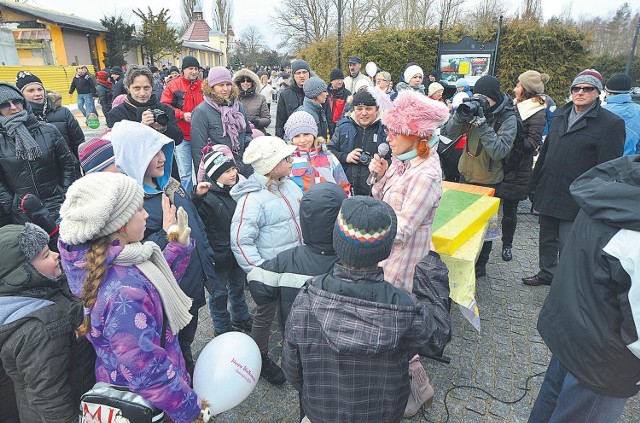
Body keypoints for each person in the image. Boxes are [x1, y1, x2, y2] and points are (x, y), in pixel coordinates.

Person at [58, 173, 212, 423]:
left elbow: (151, 288)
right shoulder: (123, 293)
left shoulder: (118, 261)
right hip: (150, 405)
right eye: (139, 209)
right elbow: (148, 371)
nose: (146, 215)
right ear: (119, 224)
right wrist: (194, 412)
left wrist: (177, 247)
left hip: (133, 385)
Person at [282, 196, 452, 423]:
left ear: (337, 240)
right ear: (388, 250)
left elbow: (293, 369)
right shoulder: (405, 308)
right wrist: (430, 266)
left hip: (320, 413)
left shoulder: (306, 299)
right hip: (382, 415)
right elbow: (439, 335)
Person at [528, 155, 640, 423]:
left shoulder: (612, 188)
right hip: (603, 364)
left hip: (575, 338)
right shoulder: (633, 229)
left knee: (549, 405)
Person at [109, 120, 218, 377]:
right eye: (152, 154)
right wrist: (167, 232)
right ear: (135, 156)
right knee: (173, 347)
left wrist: (194, 199)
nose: (161, 159)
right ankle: (185, 392)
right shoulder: (132, 202)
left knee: (186, 338)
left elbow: (190, 222)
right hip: (168, 290)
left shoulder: (170, 184)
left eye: (162, 151)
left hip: (192, 280)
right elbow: (135, 252)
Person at [369, 90, 449, 416]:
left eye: (395, 130)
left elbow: (401, 230)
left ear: (416, 134)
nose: (389, 136)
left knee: (396, 328)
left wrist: (365, 233)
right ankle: (410, 387)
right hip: (388, 257)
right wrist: (380, 173)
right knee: (392, 326)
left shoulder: (426, 174)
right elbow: (380, 196)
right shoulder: (407, 163)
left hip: (401, 263)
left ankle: (416, 390)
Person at [524, 69, 625, 286]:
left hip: (577, 197)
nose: (580, 92)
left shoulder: (610, 123)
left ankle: (567, 284)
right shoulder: (561, 114)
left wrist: (594, 199)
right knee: (547, 239)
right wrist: (533, 184)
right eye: (576, 88)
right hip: (549, 190)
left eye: (587, 89)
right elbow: (546, 152)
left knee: (570, 244)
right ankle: (547, 273)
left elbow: (608, 168)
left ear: (598, 93)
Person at [0, 223, 95, 422]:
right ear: (20, 275)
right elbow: (49, 397)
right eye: (45, 256)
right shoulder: (39, 328)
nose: (55, 255)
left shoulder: (40, 290)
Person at [230, 136, 302, 385]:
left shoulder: (290, 186)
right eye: (286, 158)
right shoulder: (253, 201)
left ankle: (293, 350)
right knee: (265, 314)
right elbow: (241, 241)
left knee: (290, 311)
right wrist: (259, 273)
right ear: (271, 167)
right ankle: (258, 356)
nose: (292, 160)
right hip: (270, 273)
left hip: (293, 269)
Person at [444, 75, 518, 277]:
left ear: (494, 98)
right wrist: (460, 117)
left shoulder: (507, 118)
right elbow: (447, 134)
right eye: (477, 96)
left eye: (485, 98)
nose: (481, 102)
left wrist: (483, 124)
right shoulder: (472, 109)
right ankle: (459, 259)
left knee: (484, 230)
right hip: (465, 175)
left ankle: (480, 266)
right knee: (461, 223)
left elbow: (500, 151)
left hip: (489, 182)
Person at [191, 146, 252, 337]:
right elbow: (195, 220)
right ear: (215, 175)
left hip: (236, 252)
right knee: (218, 296)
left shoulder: (238, 190)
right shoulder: (207, 197)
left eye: (233, 168)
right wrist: (196, 197)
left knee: (237, 288)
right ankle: (222, 329)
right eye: (227, 171)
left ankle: (241, 318)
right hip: (218, 257)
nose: (233, 173)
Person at [0, 82, 77, 225]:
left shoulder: (48, 130)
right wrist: (11, 204)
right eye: (4, 105)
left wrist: (65, 193)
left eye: (17, 101)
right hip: (24, 214)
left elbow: (68, 165)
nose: (13, 107)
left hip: (59, 207)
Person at [498, 70, 548, 262]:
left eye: (518, 85)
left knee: (510, 212)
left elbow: (531, 144)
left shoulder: (537, 112)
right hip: (501, 164)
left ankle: (507, 245)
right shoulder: (512, 106)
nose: (514, 88)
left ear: (526, 90)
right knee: (491, 210)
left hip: (517, 168)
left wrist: (508, 138)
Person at [190, 66, 254, 178]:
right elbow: (198, 149)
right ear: (212, 87)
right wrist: (203, 178)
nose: (226, 89)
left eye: (228, 84)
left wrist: (248, 151)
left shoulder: (239, 106)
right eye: (221, 85)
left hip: (243, 166)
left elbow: (247, 133)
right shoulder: (201, 111)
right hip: (220, 171)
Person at [329, 88, 389, 196]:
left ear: (377, 109)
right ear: (353, 109)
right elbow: (329, 151)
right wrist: (345, 157)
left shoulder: (386, 130)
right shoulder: (343, 127)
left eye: (368, 108)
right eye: (359, 109)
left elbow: (396, 160)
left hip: (376, 192)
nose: (364, 113)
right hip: (347, 190)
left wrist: (381, 165)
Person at [16, 71, 84, 161]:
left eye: (40, 89)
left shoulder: (63, 112)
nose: (37, 94)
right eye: (31, 90)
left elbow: (78, 143)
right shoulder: (18, 119)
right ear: (21, 94)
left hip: (70, 168)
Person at [162, 56, 205, 192]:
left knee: (203, 171)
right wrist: (182, 115)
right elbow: (164, 107)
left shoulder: (204, 85)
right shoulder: (173, 85)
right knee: (185, 174)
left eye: (196, 69)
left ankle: (204, 198)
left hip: (201, 136)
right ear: (184, 70)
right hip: (182, 137)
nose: (194, 71)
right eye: (190, 68)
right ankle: (187, 201)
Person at [285, 110, 350, 195]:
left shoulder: (329, 157)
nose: (302, 140)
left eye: (306, 134)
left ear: (314, 134)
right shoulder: (288, 161)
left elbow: (343, 186)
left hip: (328, 206)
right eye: (296, 136)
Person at [602, 73, 640, 156]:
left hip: (602, 165)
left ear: (608, 92)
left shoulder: (601, 111)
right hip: (629, 164)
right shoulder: (638, 110)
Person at [275, 59, 310, 138]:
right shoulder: (285, 95)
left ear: (309, 74)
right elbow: (280, 123)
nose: (302, 76)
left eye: (304, 72)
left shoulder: (318, 93)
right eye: (298, 73)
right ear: (293, 75)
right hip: (292, 139)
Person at [232, 68, 271, 136]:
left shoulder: (260, 98)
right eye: (242, 81)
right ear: (238, 82)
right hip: (238, 134)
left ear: (253, 82)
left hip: (257, 134)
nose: (245, 83)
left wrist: (257, 122)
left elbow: (267, 119)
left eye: (248, 80)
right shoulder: (233, 98)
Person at [327, 68, 351, 135]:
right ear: (331, 81)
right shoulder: (325, 93)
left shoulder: (347, 94)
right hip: (327, 128)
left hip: (340, 128)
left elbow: (347, 111)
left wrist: (339, 124)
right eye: (337, 80)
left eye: (341, 79)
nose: (340, 82)